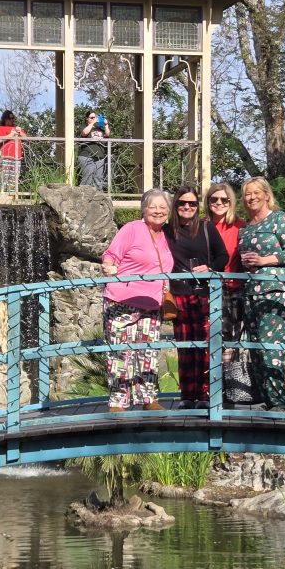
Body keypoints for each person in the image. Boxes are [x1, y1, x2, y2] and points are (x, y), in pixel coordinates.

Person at [101, 188, 174, 411]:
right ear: (144, 209)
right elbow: (111, 254)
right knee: (121, 351)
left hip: (152, 304)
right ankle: (118, 401)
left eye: (163, 207)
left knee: (149, 353)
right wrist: (108, 266)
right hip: (123, 299)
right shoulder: (132, 228)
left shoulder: (168, 235)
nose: (158, 211)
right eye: (153, 207)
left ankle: (148, 399)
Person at [238, 176, 285, 410]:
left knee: (270, 346)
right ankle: (266, 399)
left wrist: (264, 260)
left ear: (266, 194)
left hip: (273, 291)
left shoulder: (278, 219)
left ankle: (279, 402)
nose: (251, 197)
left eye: (256, 193)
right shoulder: (245, 228)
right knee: (255, 347)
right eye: (247, 194)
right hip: (250, 292)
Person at [165, 184, 227, 409]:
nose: (187, 207)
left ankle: (204, 394)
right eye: (182, 203)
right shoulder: (167, 230)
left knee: (205, 346)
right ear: (176, 205)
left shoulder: (206, 228)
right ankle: (187, 395)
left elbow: (223, 256)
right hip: (180, 294)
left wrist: (209, 268)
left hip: (203, 294)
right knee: (185, 347)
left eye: (192, 203)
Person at [204, 181, 245, 364]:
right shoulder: (201, 225)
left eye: (224, 199)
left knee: (229, 341)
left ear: (231, 202)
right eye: (214, 199)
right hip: (205, 289)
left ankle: (229, 387)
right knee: (207, 338)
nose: (219, 203)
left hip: (231, 289)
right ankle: (208, 389)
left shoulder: (240, 226)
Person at [0, 110, 26, 195]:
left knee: (14, 179)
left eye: (12, 119)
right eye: (9, 119)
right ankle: (1, 196)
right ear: (4, 119)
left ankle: (12, 197)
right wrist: (10, 135)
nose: (11, 120)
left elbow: (26, 139)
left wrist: (20, 132)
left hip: (16, 158)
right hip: (4, 158)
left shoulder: (17, 128)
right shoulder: (0, 128)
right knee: (3, 178)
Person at [78, 109, 111, 189]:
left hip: (99, 156)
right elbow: (84, 133)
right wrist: (92, 123)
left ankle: (97, 197)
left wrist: (106, 125)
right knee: (87, 176)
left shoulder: (100, 128)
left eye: (95, 117)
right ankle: (84, 195)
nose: (94, 119)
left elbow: (107, 134)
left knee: (98, 178)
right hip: (86, 155)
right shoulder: (84, 126)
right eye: (92, 117)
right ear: (87, 118)